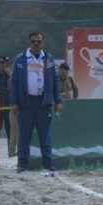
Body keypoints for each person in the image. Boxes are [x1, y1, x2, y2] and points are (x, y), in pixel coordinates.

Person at [10, 32, 63, 173]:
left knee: (45, 134)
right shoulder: (20, 59)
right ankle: (22, 163)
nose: (36, 44)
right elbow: (14, 82)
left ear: (43, 43)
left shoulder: (49, 59)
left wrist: (58, 100)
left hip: (43, 102)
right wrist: (14, 102)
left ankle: (48, 162)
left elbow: (55, 81)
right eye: (33, 41)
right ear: (29, 42)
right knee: (24, 135)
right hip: (25, 102)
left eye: (39, 41)